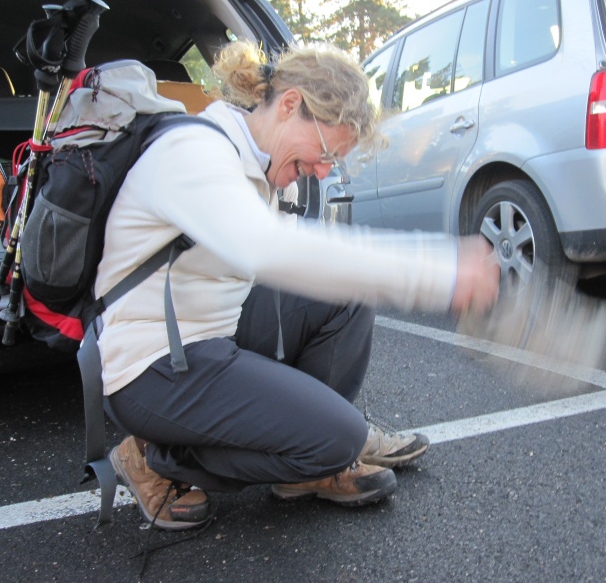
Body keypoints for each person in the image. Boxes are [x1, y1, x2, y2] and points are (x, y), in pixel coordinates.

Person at [100, 40, 500, 530]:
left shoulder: (263, 168)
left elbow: (312, 256)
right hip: (152, 366)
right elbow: (273, 252)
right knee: (338, 438)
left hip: (210, 336)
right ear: (290, 105)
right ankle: (153, 456)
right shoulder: (195, 153)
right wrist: (438, 272)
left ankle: (306, 463)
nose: (324, 170)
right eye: (327, 151)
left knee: (346, 297)